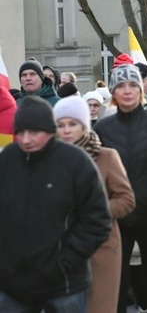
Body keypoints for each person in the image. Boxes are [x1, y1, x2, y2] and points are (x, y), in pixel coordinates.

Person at [0, 96, 111, 311]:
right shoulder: (6, 161)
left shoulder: (76, 162)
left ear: (51, 131)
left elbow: (97, 220)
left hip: (64, 286)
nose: (25, 140)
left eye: (34, 132)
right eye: (21, 132)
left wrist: (65, 261)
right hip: (11, 285)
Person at [94, 64, 147, 313]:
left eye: (132, 84)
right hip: (117, 217)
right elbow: (95, 170)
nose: (128, 90)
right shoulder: (103, 128)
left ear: (141, 88)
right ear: (113, 92)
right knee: (116, 283)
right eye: (121, 86)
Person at [54, 96, 136, 313]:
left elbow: (126, 200)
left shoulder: (106, 156)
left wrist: (96, 212)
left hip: (102, 245)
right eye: (61, 125)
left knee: (98, 307)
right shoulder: (50, 160)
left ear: (84, 125)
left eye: (73, 124)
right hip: (61, 247)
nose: (67, 130)